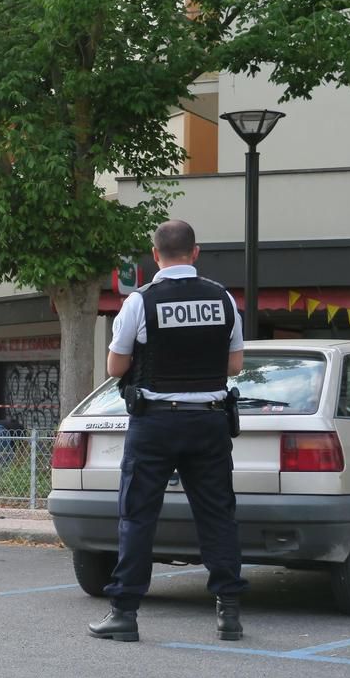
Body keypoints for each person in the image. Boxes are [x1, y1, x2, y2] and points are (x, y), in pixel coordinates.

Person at [89, 219, 247, 643]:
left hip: (155, 421)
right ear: (195, 253)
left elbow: (115, 367)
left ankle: (124, 614)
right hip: (210, 420)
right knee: (217, 515)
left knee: (138, 516)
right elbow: (234, 366)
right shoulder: (223, 299)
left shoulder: (141, 302)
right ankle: (229, 612)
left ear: (155, 255)